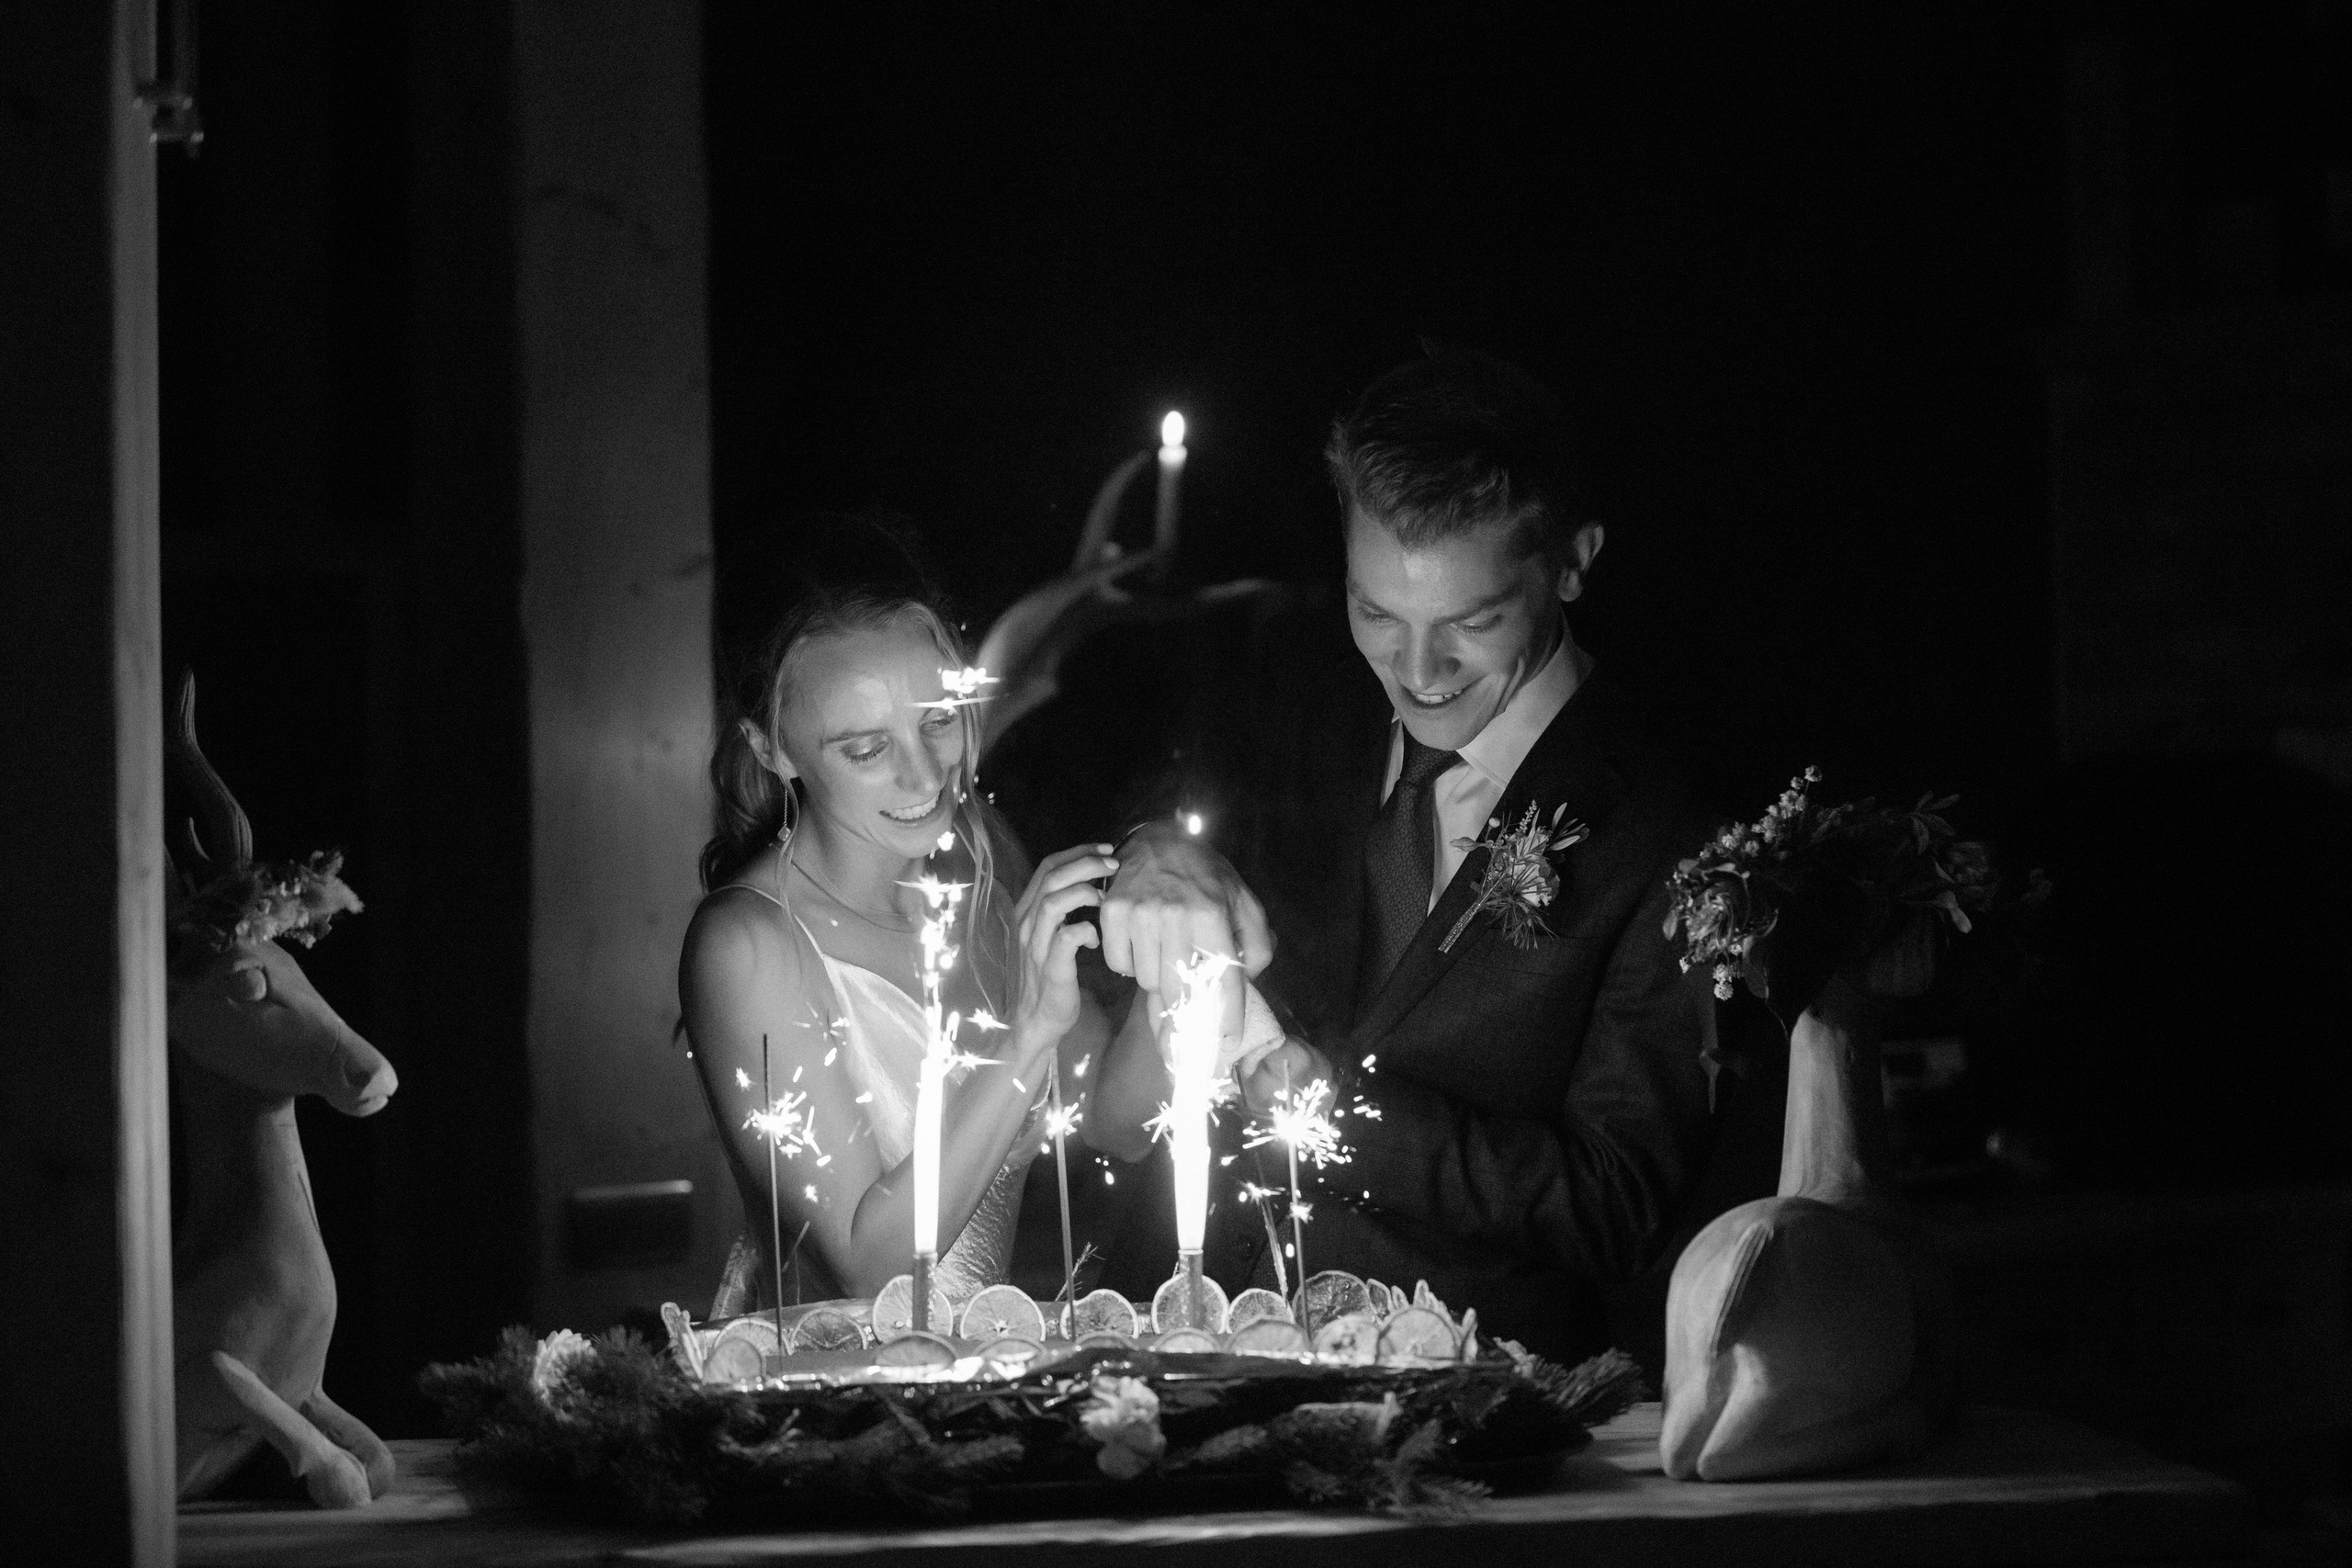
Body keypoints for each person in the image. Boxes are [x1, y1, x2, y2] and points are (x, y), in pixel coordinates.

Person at [1094, 348, 1723, 1361]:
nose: (1416, 671)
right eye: (1375, 612)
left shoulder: (1666, 824)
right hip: (1166, 1354)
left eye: (1471, 622)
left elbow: (1612, 1204)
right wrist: (1153, 848)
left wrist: (1317, 1099)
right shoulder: (1290, 689)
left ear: (1570, 562)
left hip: (1455, 1396)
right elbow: (1162, 797)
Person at [679, 520, 1154, 1310]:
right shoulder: (749, 944)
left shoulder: (976, 865)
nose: (927, 773)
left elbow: (1116, 1118)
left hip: (982, 1391)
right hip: (826, 1408)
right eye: (866, 749)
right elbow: (870, 1269)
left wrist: (1183, 973)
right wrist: (1028, 1030)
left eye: (938, 718)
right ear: (773, 750)